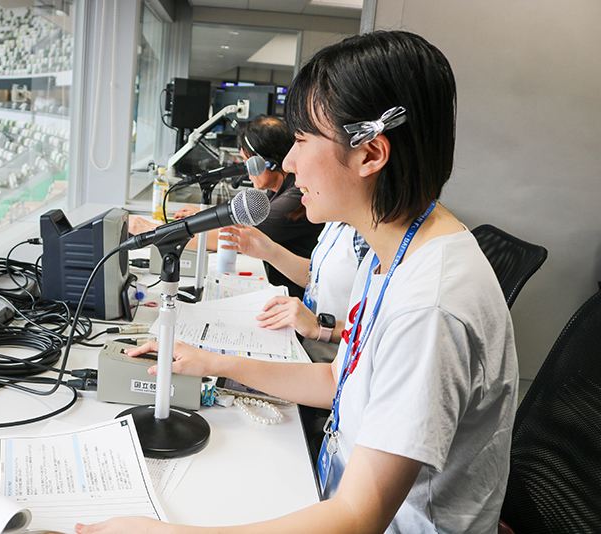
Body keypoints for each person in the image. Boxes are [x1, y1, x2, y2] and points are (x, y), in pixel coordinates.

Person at [77, 30, 518, 534]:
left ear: (370, 154)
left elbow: (359, 517)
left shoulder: (430, 306)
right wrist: (212, 364)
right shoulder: (395, 254)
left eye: (303, 141)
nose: (287, 163)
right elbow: (340, 384)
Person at [130, 115, 325, 299]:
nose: (247, 171)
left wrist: (151, 231)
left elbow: (227, 237)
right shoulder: (279, 189)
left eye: (248, 162)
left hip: (294, 301)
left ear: (270, 162)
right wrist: (203, 214)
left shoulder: (296, 198)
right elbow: (238, 222)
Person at [222, 220, 369, 362]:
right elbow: (321, 276)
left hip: (334, 362)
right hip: (306, 347)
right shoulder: (336, 222)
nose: (303, 192)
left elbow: (376, 326)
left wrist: (322, 327)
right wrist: (270, 252)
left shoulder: (372, 239)